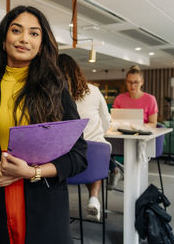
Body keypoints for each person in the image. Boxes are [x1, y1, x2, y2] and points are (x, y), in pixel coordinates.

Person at [0, 5, 88, 244]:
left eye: (34, 33)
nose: (24, 39)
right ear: (4, 38)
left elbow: (79, 156)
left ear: (41, 45)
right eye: (16, 30)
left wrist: (33, 172)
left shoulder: (56, 89)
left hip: (44, 208)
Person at [57, 53, 111, 221]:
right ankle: (94, 197)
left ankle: (57, 208)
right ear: (77, 72)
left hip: (65, 164)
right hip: (95, 160)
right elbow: (106, 121)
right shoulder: (93, 90)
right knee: (96, 147)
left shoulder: (53, 94)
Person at [109, 65, 158, 189]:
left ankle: (127, 176)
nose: (133, 86)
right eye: (130, 82)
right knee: (105, 146)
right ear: (126, 82)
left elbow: (153, 123)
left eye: (136, 82)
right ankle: (115, 170)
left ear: (142, 82)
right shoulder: (120, 99)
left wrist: (135, 126)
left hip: (141, 139)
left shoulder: (150, 99)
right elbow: (114, 120)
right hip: (121, 136)